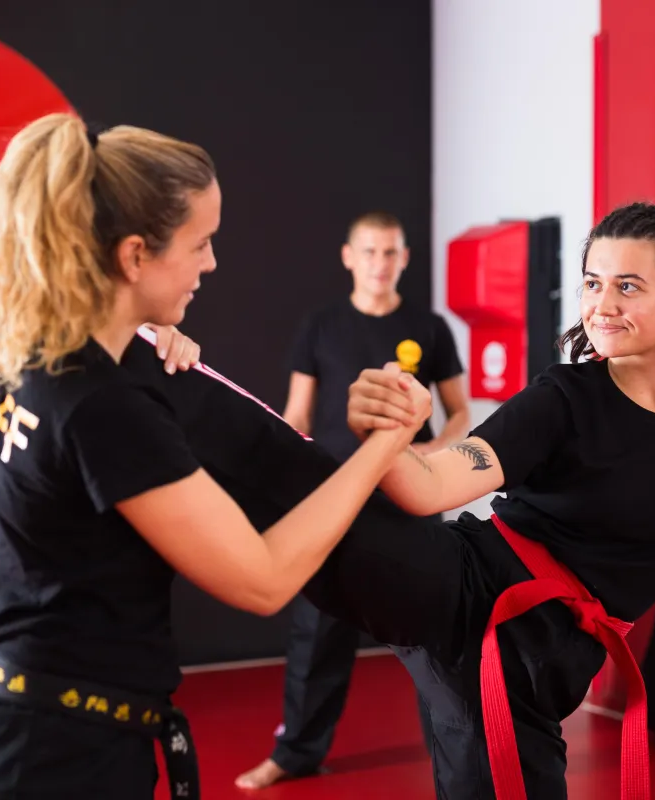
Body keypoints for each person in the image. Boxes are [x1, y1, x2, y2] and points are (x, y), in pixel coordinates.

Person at [111, 200, 655, 799]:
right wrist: (392, 434)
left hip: (549, 659)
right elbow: (433, 487)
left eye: (628, 285)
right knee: (288, 470)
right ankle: (137, 355)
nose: (602, 304)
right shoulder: (566, 397)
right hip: (461, 590)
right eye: (593, 283)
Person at [0, 113, 433, 800]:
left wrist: (137, 326)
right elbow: (261, 581)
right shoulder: (105, 409)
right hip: (57, 763)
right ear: (135, 256)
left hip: (1, 726)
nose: (211, 264)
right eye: (200, 244)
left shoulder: (14, 350)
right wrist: (383, 448)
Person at [236, 211, 469, 790]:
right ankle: (294, 754)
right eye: (369, 253)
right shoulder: (321, 326)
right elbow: (295, 418)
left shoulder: (431, 327)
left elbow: (460, 411)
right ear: (348, 257)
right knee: (315, 634)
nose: (380, 264)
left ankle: (461, 762)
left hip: (410, 501)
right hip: (335, 504)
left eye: (390, 253)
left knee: (434, 638)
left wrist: (431, 461)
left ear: (405, 258)